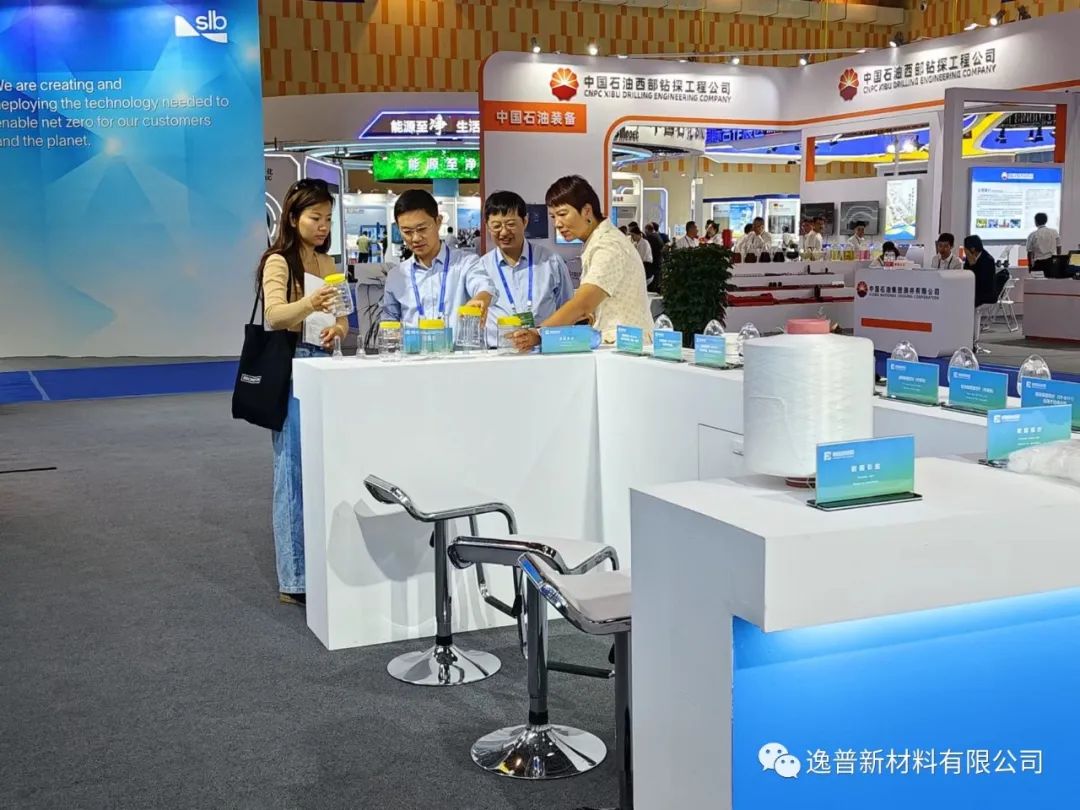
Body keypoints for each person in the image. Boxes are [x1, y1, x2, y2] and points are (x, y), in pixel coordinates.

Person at [257, 178, 348, 606]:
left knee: (326, 465)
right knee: (291, 469)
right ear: (293, 218)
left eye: (328, 218)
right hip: (291, 367)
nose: (323, 226)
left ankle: (325, 563)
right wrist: (311, 304)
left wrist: (338, 328)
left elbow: (343, 316)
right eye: (315, 218)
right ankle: (294, 577)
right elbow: (275, 316)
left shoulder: (327, 261)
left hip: (325, 365)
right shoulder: (279, 261)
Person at [510, 175, 652, 350]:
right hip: (616, 347)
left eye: (562, 214)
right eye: (553, 216)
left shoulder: (608, 245)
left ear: (586, 211)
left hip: (627, 348)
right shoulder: (597, 242)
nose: (557, 224)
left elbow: (583, 304)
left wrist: (539, 333)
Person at [382, 190, 495, 340]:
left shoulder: (465, 263)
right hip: (414, 353)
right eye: (407, 232)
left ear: (438, 221)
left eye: (422, 229)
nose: (415, 238)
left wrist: (480, 298)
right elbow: (389, 321)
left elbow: (484, 286)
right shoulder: (397, 275)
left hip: (458, 353)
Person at [481, 189, 574, 347]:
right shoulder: (481, 268)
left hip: (542, 349)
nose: (504, 232)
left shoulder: (550, 261)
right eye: (496, 226)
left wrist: (541, 336)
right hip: (497, 352)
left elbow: (568, 309)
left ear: (525, 221)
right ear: (487, 227)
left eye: (511, 224)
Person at [963, 234, 999, 342]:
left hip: (986, 295)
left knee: (968, 305)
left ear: (972, 249)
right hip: (974, 292)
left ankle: (972, 339)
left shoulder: (988, 260)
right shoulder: (970, 259)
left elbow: (982, 282)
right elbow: (966, 276)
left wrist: (973, 265)